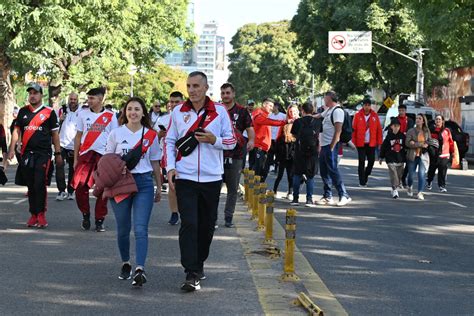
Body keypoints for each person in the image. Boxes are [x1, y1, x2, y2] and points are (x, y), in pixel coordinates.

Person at [165, 71, 236, 292]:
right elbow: (169, 141)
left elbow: (232, 141)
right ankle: (191, 271)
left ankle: (199, 262)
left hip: (212, 178)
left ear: (206, 88)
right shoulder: (178, 111)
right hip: (185, 177)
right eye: (189, 86)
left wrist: (214, 140)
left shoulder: (220, 112)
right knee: (189, 224)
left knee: (206, 226)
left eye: (196, 85)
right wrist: (170, 169)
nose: (192, 90)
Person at [106, 97, 162, 287]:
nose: (133, 112)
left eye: (137, 109)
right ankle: (125, 263)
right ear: (124, 112)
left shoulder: (151, 135)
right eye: (129, 109)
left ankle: (140, 268)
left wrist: (159, 186)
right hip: (120, 184)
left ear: (143, 112)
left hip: (144, 183)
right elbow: (107, 161)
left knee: (140, 229)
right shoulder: (115, 133)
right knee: (123, 228)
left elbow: (155, 162)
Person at [7, 83, 62, 227]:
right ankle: (33, 214)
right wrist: (12, 149)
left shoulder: (49, 112)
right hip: (26, 154)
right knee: (30, 185)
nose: (32, 95)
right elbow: (16, 131)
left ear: (41, 95)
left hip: (43, 153)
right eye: (30, 93)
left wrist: (58, 153)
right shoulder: (23, 111)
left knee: (39, 183)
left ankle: (41, 214)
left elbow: (55, 134)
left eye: (35, 93)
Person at [73, 87, 119, 232]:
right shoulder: (82, 114)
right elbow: (78, 137)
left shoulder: (111, 116)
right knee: (80, 187)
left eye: (92, 98)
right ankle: (85, 214)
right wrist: (75, 158)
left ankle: (100, 219)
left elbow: (115, 138)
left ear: (101, 99)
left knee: (103, 189)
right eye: (88, 98)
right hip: (86, 155)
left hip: (104, 157)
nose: (89, 101)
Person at [220, 82, 254, 228]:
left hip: (236, 154)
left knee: (232, 188)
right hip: (217, 154)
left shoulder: (242, 111)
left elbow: (250, 128)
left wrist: (251, 140)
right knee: (213, 188)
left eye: (228, 93)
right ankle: (212, 218)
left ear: (233, 94)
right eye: (223, 93)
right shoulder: (216, 110)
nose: (225, 96)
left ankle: (228, 218)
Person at [316, 91, 351, 207]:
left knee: (333, 170)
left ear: (330, 99)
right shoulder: (329, 110)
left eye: (325, 98)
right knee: (324, 171)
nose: (324, 100)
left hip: (331, 145)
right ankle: (327, 196)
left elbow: (338, 131)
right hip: (325, 145)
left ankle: (344, 195)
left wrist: (332, 146)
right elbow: (318, 116)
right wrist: (306, 117)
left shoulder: (337, 111)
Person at [159, 91, 184, 225]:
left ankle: (185, 211)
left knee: (185, 186)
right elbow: (155, 139)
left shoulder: (188, 117)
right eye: (172, 102)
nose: (174, 104)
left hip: (185, 156)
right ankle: (174, 212)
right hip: (168, 156)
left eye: (177, 102)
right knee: (172, 185)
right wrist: (159, 134)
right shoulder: (162, 119)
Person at [290, 102, 321, 206]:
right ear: (312, 110)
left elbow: (294, 135)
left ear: (302, 110)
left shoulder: (297, 122)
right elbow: (319, 136)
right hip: (312, 152)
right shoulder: (317, 122)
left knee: (297, 174)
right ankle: (309, 199)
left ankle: (295, 199)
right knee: (310, 176)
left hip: (299, 151)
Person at [251, 98, 287, 182]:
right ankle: (254, 191)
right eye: (270, 105)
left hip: (265, 147)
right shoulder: (259, 113)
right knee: (257, 170)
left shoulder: (266, 114)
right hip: (259, 146)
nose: (271, 108)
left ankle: (258, 188)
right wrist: (282, 122)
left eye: (272, 106)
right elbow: (268, 122)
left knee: (263, 169)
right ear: (264, 104)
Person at [351, 99, 383, 187]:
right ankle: (362, 181)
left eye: (368, 105)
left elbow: (379, 130)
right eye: (365, 105)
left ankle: (366, 174)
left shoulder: (374, 115)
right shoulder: (357, 115)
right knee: (361, 162)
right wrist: (353, 142)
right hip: (360, 143)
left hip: (371, 143)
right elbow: (354, 130)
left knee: (371, 161)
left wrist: (380, 142)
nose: (367, 107)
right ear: (363, 106)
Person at [55, 92, 80, 201]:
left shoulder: (82, 112)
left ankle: (71, 191)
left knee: (73, 169)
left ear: (77, 100)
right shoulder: (61, 110)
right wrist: (60, 120)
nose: (72, 101)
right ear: (68, 99)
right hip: (61, 144)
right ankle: (61, 190)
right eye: (71, 99)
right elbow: (54, 127)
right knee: (59, 166)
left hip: (74, 145)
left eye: (74, 99)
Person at [273, 104, 299, 200]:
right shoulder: (285, 123)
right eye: (290, 111)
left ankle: (290, 192)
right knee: (279, 174)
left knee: (290, 174)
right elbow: (278, 137)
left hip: (293, 152)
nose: (292, 113)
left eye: (294, 111)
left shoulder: (299, 122)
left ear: (297, 112)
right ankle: (274, 191)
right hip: (283, 152)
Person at [406, 114, 431, 200]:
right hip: (412, 156)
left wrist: (416, 143)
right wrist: (420, 144)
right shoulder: (410, 131)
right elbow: (408, 143)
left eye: (419, 118)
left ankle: (420, 192)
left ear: (423, 121)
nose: (417, 120)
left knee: (421, 174)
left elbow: (428, 142)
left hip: (423, 156)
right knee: (411, 176)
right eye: (416, 118)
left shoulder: (427, 131)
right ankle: (409, 186)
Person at [379, 118, 406, 198]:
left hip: (400, 159)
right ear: (391, 127)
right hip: (390, 158)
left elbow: (406, 146)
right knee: (393, 174)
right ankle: (395, 190)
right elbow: (383, 147)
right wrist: (381, 156)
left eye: (398, 126)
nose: (396, 127)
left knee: (399, 175)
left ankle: (395, 187)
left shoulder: (402, 136)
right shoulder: (388, 137)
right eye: (395, 126)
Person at [426, 115, 454, 192]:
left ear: (442, 121)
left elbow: (451, 142)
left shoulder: (447, 131)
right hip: (434, 154)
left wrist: (452, 152)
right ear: (435, 121)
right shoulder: (432, 130)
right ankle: (429, 181)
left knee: (442, 170)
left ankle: (442, 186)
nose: (438, 121)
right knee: (432, 169)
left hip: (445, 154)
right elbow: (428, 141)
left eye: (439, 119)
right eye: (436, 119)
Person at [265, 102, 286, 174]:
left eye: (272, 106)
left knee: (278, 155)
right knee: (269, 155)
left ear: (277, 107)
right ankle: (267, 169)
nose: (271, 108)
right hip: (270, 138)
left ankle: (276, 168)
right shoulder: (270, 115)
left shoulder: (283, 116)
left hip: (279, 138)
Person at [397, 104, 415, 187]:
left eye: (403, 110)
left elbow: (410, 131)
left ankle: (403, 177)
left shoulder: (410, 120)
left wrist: (405, 134)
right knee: (400, 163)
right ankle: (399, 179)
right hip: (398, 144)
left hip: (407, 144)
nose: (401, 112)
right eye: (400, 110)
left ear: (405, 111)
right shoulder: (395, 120)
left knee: (408, 163)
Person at [245, 99, 256, 170]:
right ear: (246, 106)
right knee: (243, 155)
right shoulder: (243, 113)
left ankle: (250, 168)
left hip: (252, 137)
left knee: (252, 155)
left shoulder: (255, 114)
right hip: (244, 136)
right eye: (249, 105)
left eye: (252, 105)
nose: (251, 107)